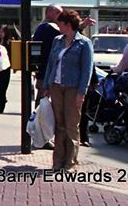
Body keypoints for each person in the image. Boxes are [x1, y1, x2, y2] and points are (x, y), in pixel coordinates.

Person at [40, 10, 95, 171]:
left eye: (60, 24)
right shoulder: (57, 40)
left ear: (68, 25)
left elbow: (87, 69)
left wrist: (81, 92)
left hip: (73, 88)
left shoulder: (84, 43)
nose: (58, 27)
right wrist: (47, 86)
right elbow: (51, 64)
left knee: (71, 125)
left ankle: (70, 162)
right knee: (59, 124)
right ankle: (57, 161)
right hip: (56, 86)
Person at [33, 5, 63, 105]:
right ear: (50, 13)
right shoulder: (47, 28)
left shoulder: (41, 28)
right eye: (58, 12)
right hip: (47, 72)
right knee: (43, 102)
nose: (61, 15)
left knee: (43, 101)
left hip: (45, 72)